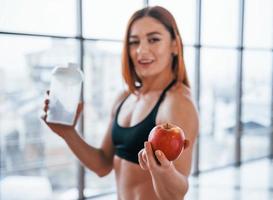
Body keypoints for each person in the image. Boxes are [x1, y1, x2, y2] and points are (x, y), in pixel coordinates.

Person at [42, 6, 199, 200]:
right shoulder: (125, 98)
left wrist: (162, 171)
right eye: (134, 42)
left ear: (175, 45)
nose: (141, 50)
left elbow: (177, 192)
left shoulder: (177, 102)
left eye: (154, 39)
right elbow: (102, 165)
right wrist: (66, 132)